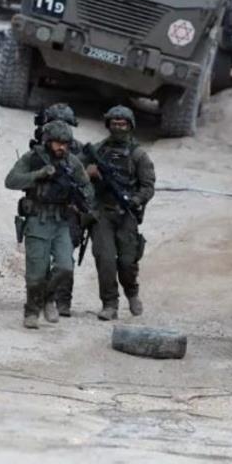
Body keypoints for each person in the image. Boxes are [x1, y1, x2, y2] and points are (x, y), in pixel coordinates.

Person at [5, 120, 94, 329]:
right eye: (56, 143)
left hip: (61, 222)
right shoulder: (33, 158)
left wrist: (79, 200)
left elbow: (87, 188)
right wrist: (39, 175)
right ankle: (32, 310)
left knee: (65, 267)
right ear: (47, 142)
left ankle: (48, 298)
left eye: (65, 143)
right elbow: (11, 181)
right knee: (36, 272)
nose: (61, 147)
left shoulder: (72, 163)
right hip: (38, 220)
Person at [80, 106, 155, 320]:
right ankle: (109, 304)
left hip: (126, 214)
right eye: (114, 124)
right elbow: (77, 174)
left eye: (122, 124)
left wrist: (135, 200)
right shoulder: (98, 150)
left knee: (127, 262)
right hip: (102, 213)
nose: (118, 128)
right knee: (105, 260)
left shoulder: (138, 155)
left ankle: (132, 293)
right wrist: (89, 174)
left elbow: (148, 186)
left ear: (130, 126)